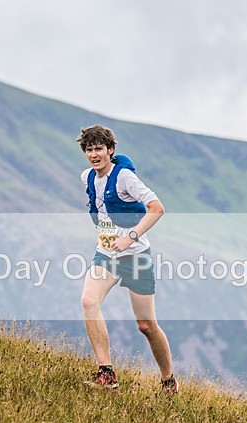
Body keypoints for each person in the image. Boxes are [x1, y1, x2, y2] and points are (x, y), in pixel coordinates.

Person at [76, 124, 178, 394]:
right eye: (89, 149)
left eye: (99, 149)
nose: (94, 154)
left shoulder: (125, 178)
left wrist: (130, 236)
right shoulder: (87, 177)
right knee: (88, 301)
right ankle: (106, 373)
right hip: (106, 254)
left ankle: (168, 380)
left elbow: (157, 208)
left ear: (110, 150)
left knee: (146, 325)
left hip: (135, 256)